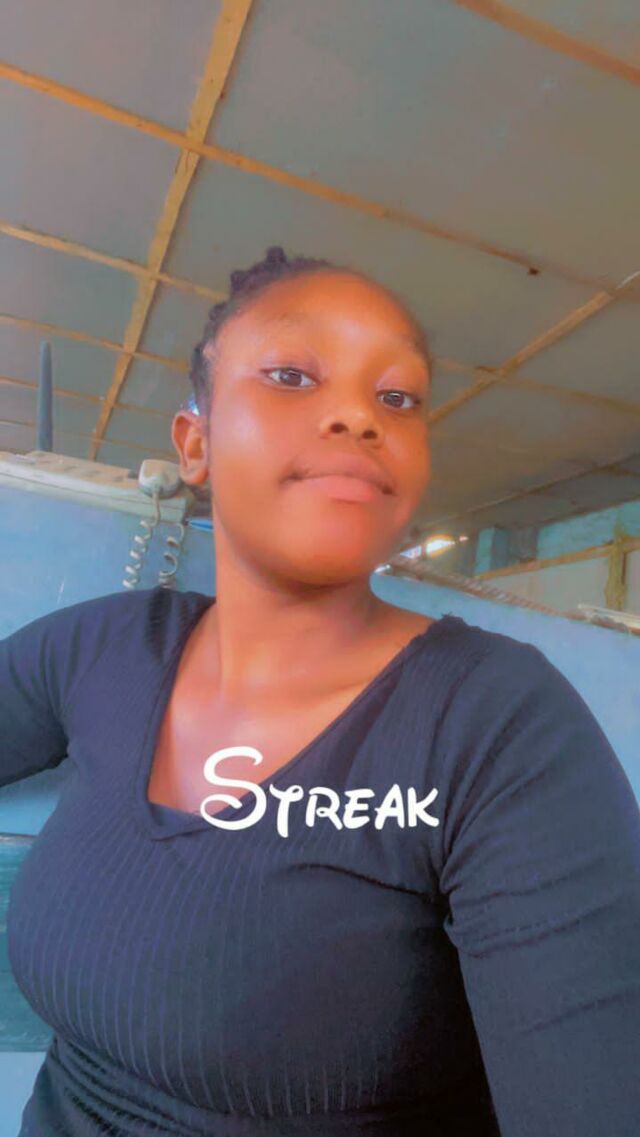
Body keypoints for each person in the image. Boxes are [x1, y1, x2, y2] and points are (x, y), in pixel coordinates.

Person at [2, 245, 639, 1136]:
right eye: (292, 375)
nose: (357, 415)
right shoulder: (104, 648)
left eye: (398, 397)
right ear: (195, 443)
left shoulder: (495, 724)